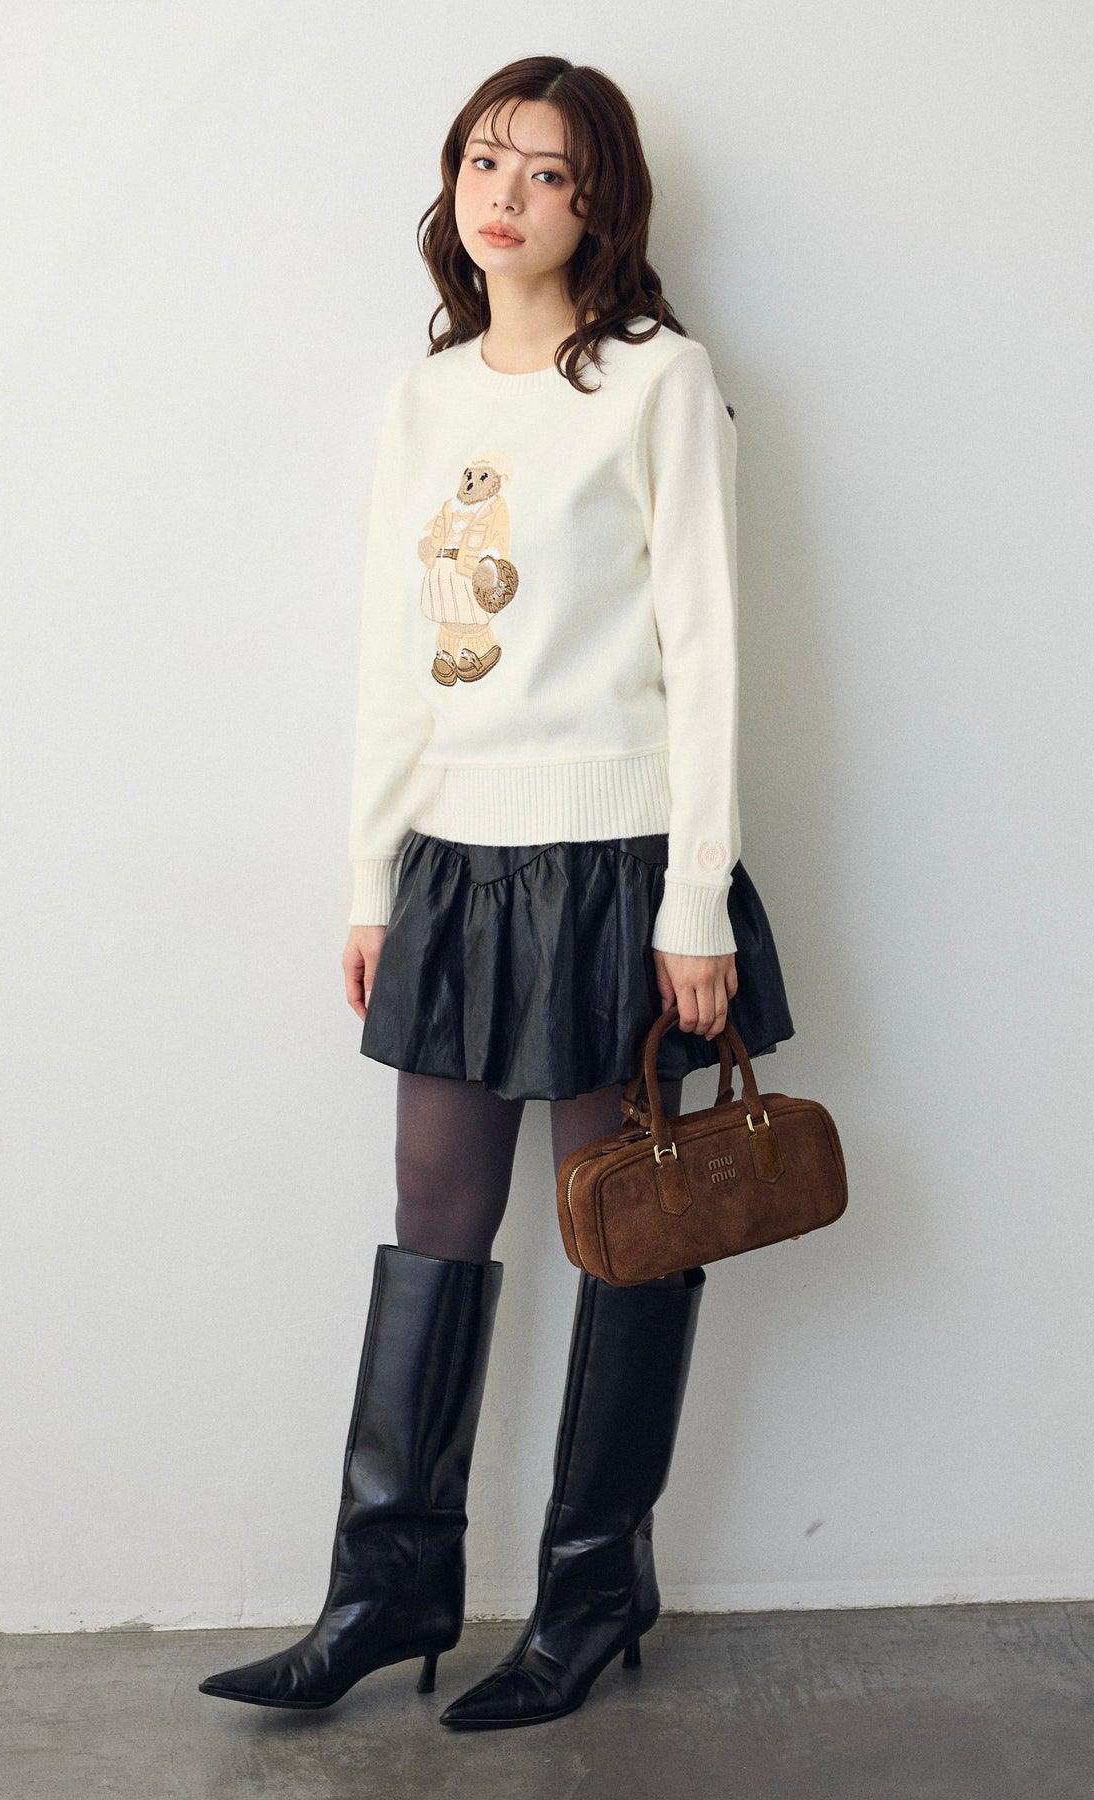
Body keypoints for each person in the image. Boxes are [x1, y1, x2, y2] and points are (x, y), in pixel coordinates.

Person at [199, 54, 793, 1730]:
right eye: (482, 159)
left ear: (598, 203)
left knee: (623, 1222)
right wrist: (371, 874)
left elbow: (706, 648)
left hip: (615, 864)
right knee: (435, 1215)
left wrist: (695, 898)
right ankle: (387, 1588)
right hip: (459, 870)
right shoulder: (430, 395)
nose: (504, 193)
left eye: (544, 169)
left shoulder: (660, 381)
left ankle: (594, 1588)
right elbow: (397, 660)